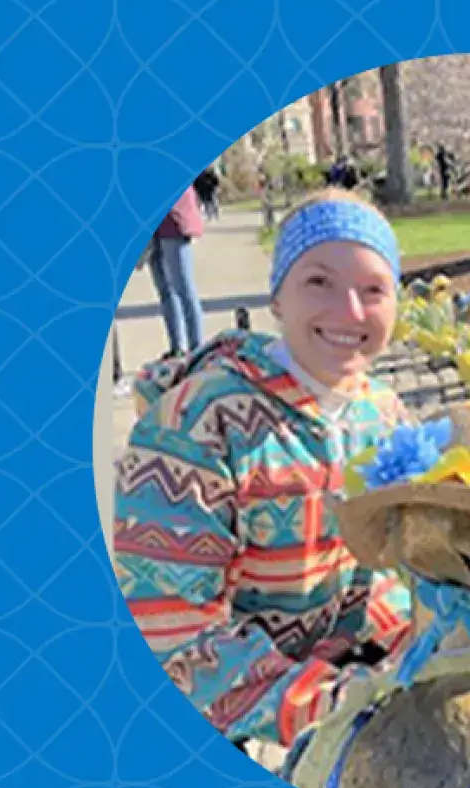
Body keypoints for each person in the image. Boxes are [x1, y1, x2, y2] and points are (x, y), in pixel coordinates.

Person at [112, 189, 417, 750]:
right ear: (277, 297)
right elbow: (174, 630)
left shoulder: (386, 415)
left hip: (349, 680)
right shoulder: (196, 425)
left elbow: (391, 572)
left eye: (373, 289)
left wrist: (419, 641)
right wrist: (327, 699)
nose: (350, 312)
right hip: (226, 708)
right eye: (319, 282)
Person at [145, 187, 206, 359]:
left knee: (183, 288)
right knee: (165, 290)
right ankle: (177, 347)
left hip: (173, 220)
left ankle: (197, 349)